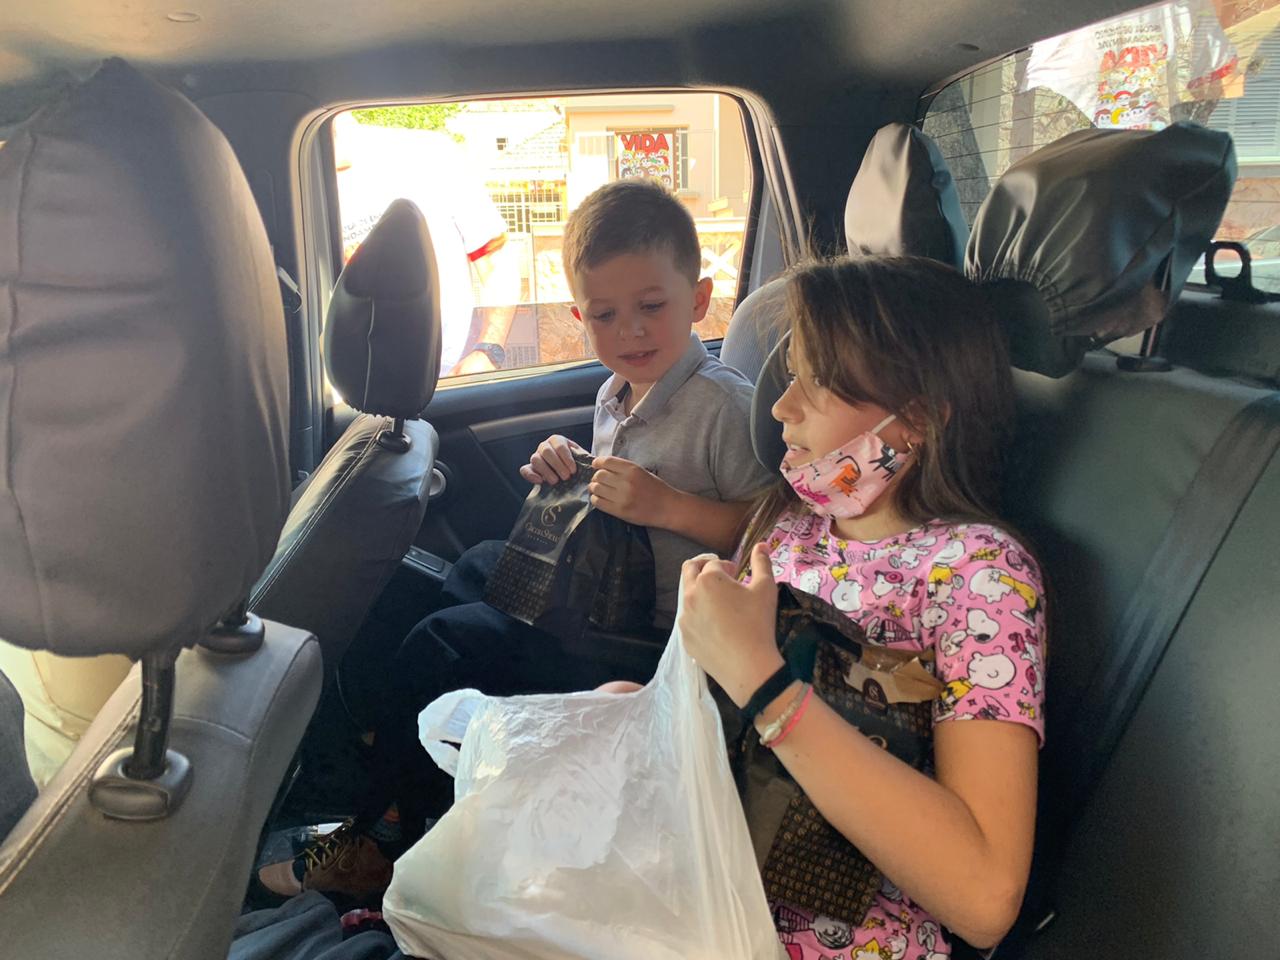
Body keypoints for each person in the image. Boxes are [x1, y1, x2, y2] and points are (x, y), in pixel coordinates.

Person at [257, 178, 774, 900]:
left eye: (652, 307)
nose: (630, 332)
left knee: (443, 644)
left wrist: (672, 508)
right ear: (579, 318)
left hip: (658, 639)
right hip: (602, 594)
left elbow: (774, 533)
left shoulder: (725, 406)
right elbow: (616, 487)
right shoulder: (616, 390)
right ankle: (398, 754)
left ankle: (383, 834)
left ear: (698, 299)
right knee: (474, 566)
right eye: (605, 315)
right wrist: (569, 466)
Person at [672, 256, 1046, 958]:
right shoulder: (790, 526)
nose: (781, 407)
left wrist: (763, 683)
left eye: (815, 384)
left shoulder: (977, 573)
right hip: (706, 880)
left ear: (917, 420)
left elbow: (985, 897)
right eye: (790, 377)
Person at [332, 111, 520, 377]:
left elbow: (496, 260)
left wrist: (488, 350)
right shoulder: (294, 179)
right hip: (347, 387)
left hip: (449, 382)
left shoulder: (428, 155)